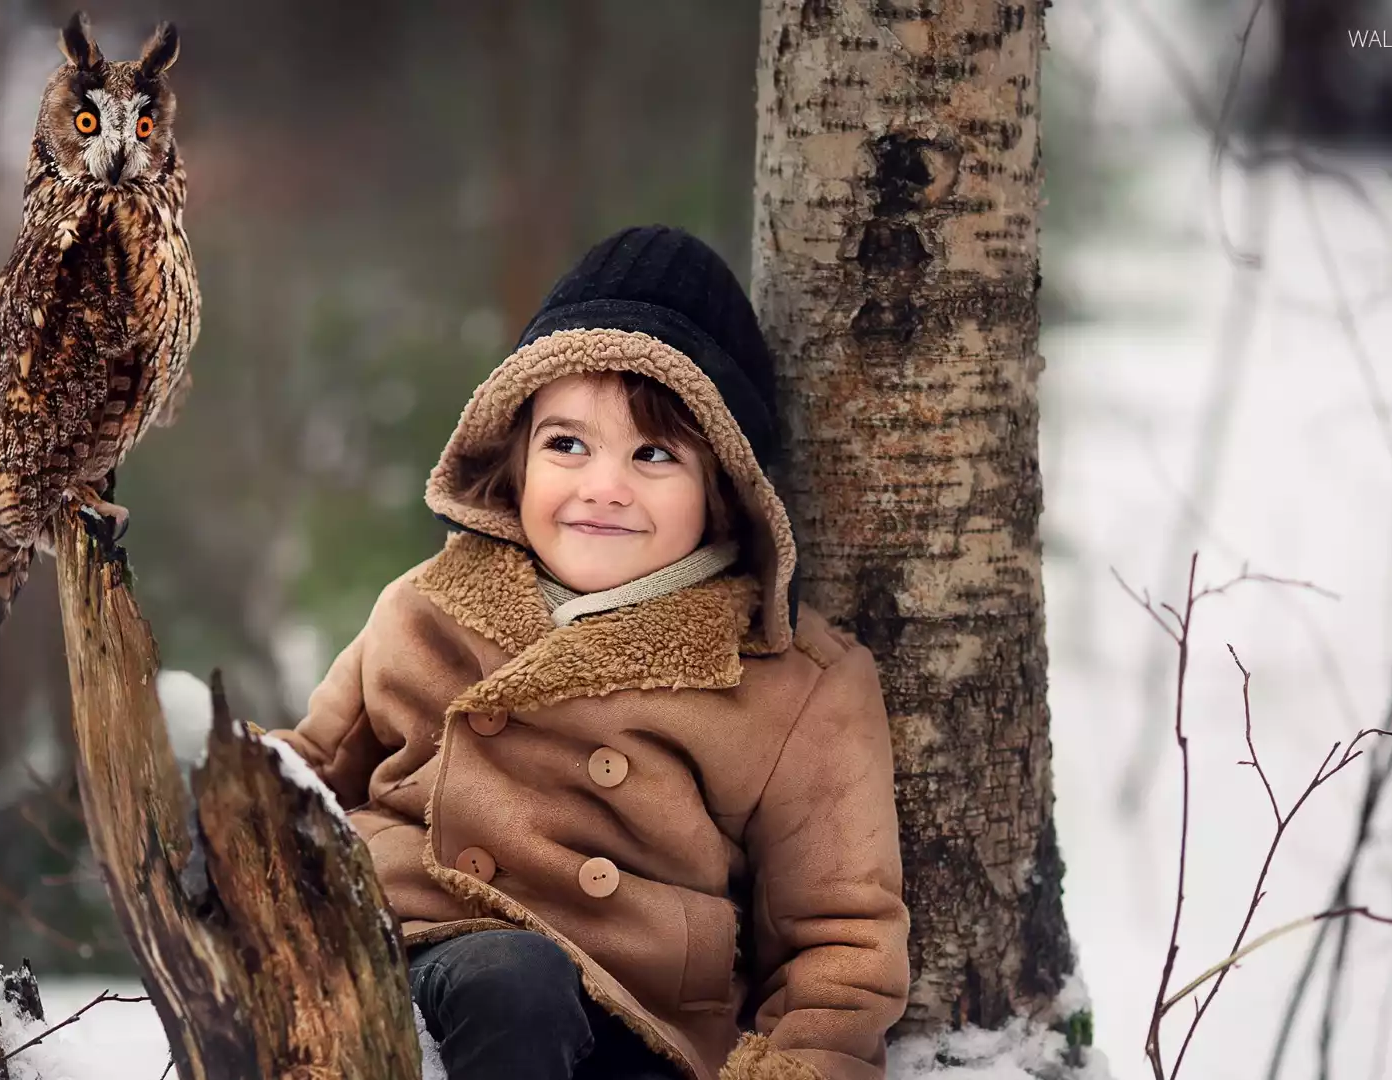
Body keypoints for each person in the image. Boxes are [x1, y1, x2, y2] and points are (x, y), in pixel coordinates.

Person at [264, 225, 909, 1080]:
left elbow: (842, 938)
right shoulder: (428, 603)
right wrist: (233, 804)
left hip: (635, 1020)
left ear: (724, 489)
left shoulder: (790, 683)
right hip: (411, 950)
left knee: (531, 986)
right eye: (567, 444)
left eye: (653, 455)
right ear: (518, 460)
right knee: (508, 978)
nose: (603, 486)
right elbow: (313, 766)